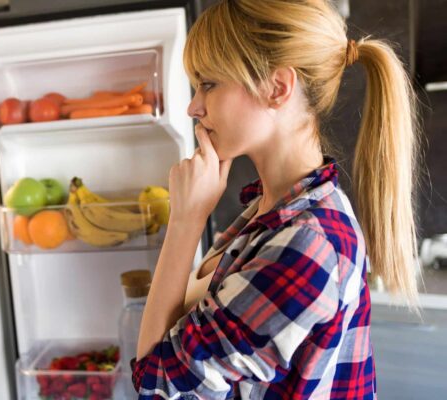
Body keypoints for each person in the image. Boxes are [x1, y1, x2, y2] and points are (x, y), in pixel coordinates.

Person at [131, 0, 420, 398]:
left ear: (277, 88)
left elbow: (156, 380)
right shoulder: (268, 212)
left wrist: (185, 222)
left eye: (209, 84)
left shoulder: (306, 244)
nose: (193, 107)